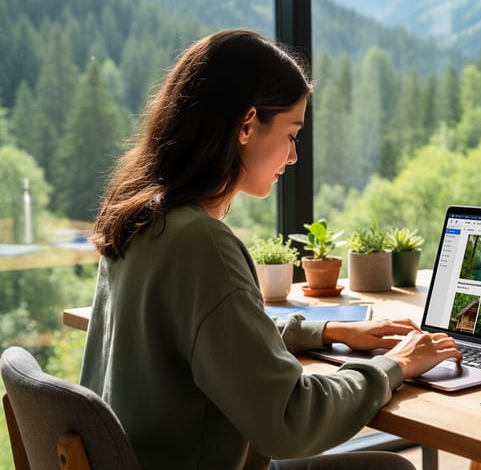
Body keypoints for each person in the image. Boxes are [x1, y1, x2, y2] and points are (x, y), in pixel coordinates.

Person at [81, 29, 461, 470]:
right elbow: (290, 420)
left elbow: (210, 339)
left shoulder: (140, 220)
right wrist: (394, 365)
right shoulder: (202, 245)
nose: (294, 155)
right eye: (291, 133)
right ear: (246, 125)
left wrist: (324, 333)